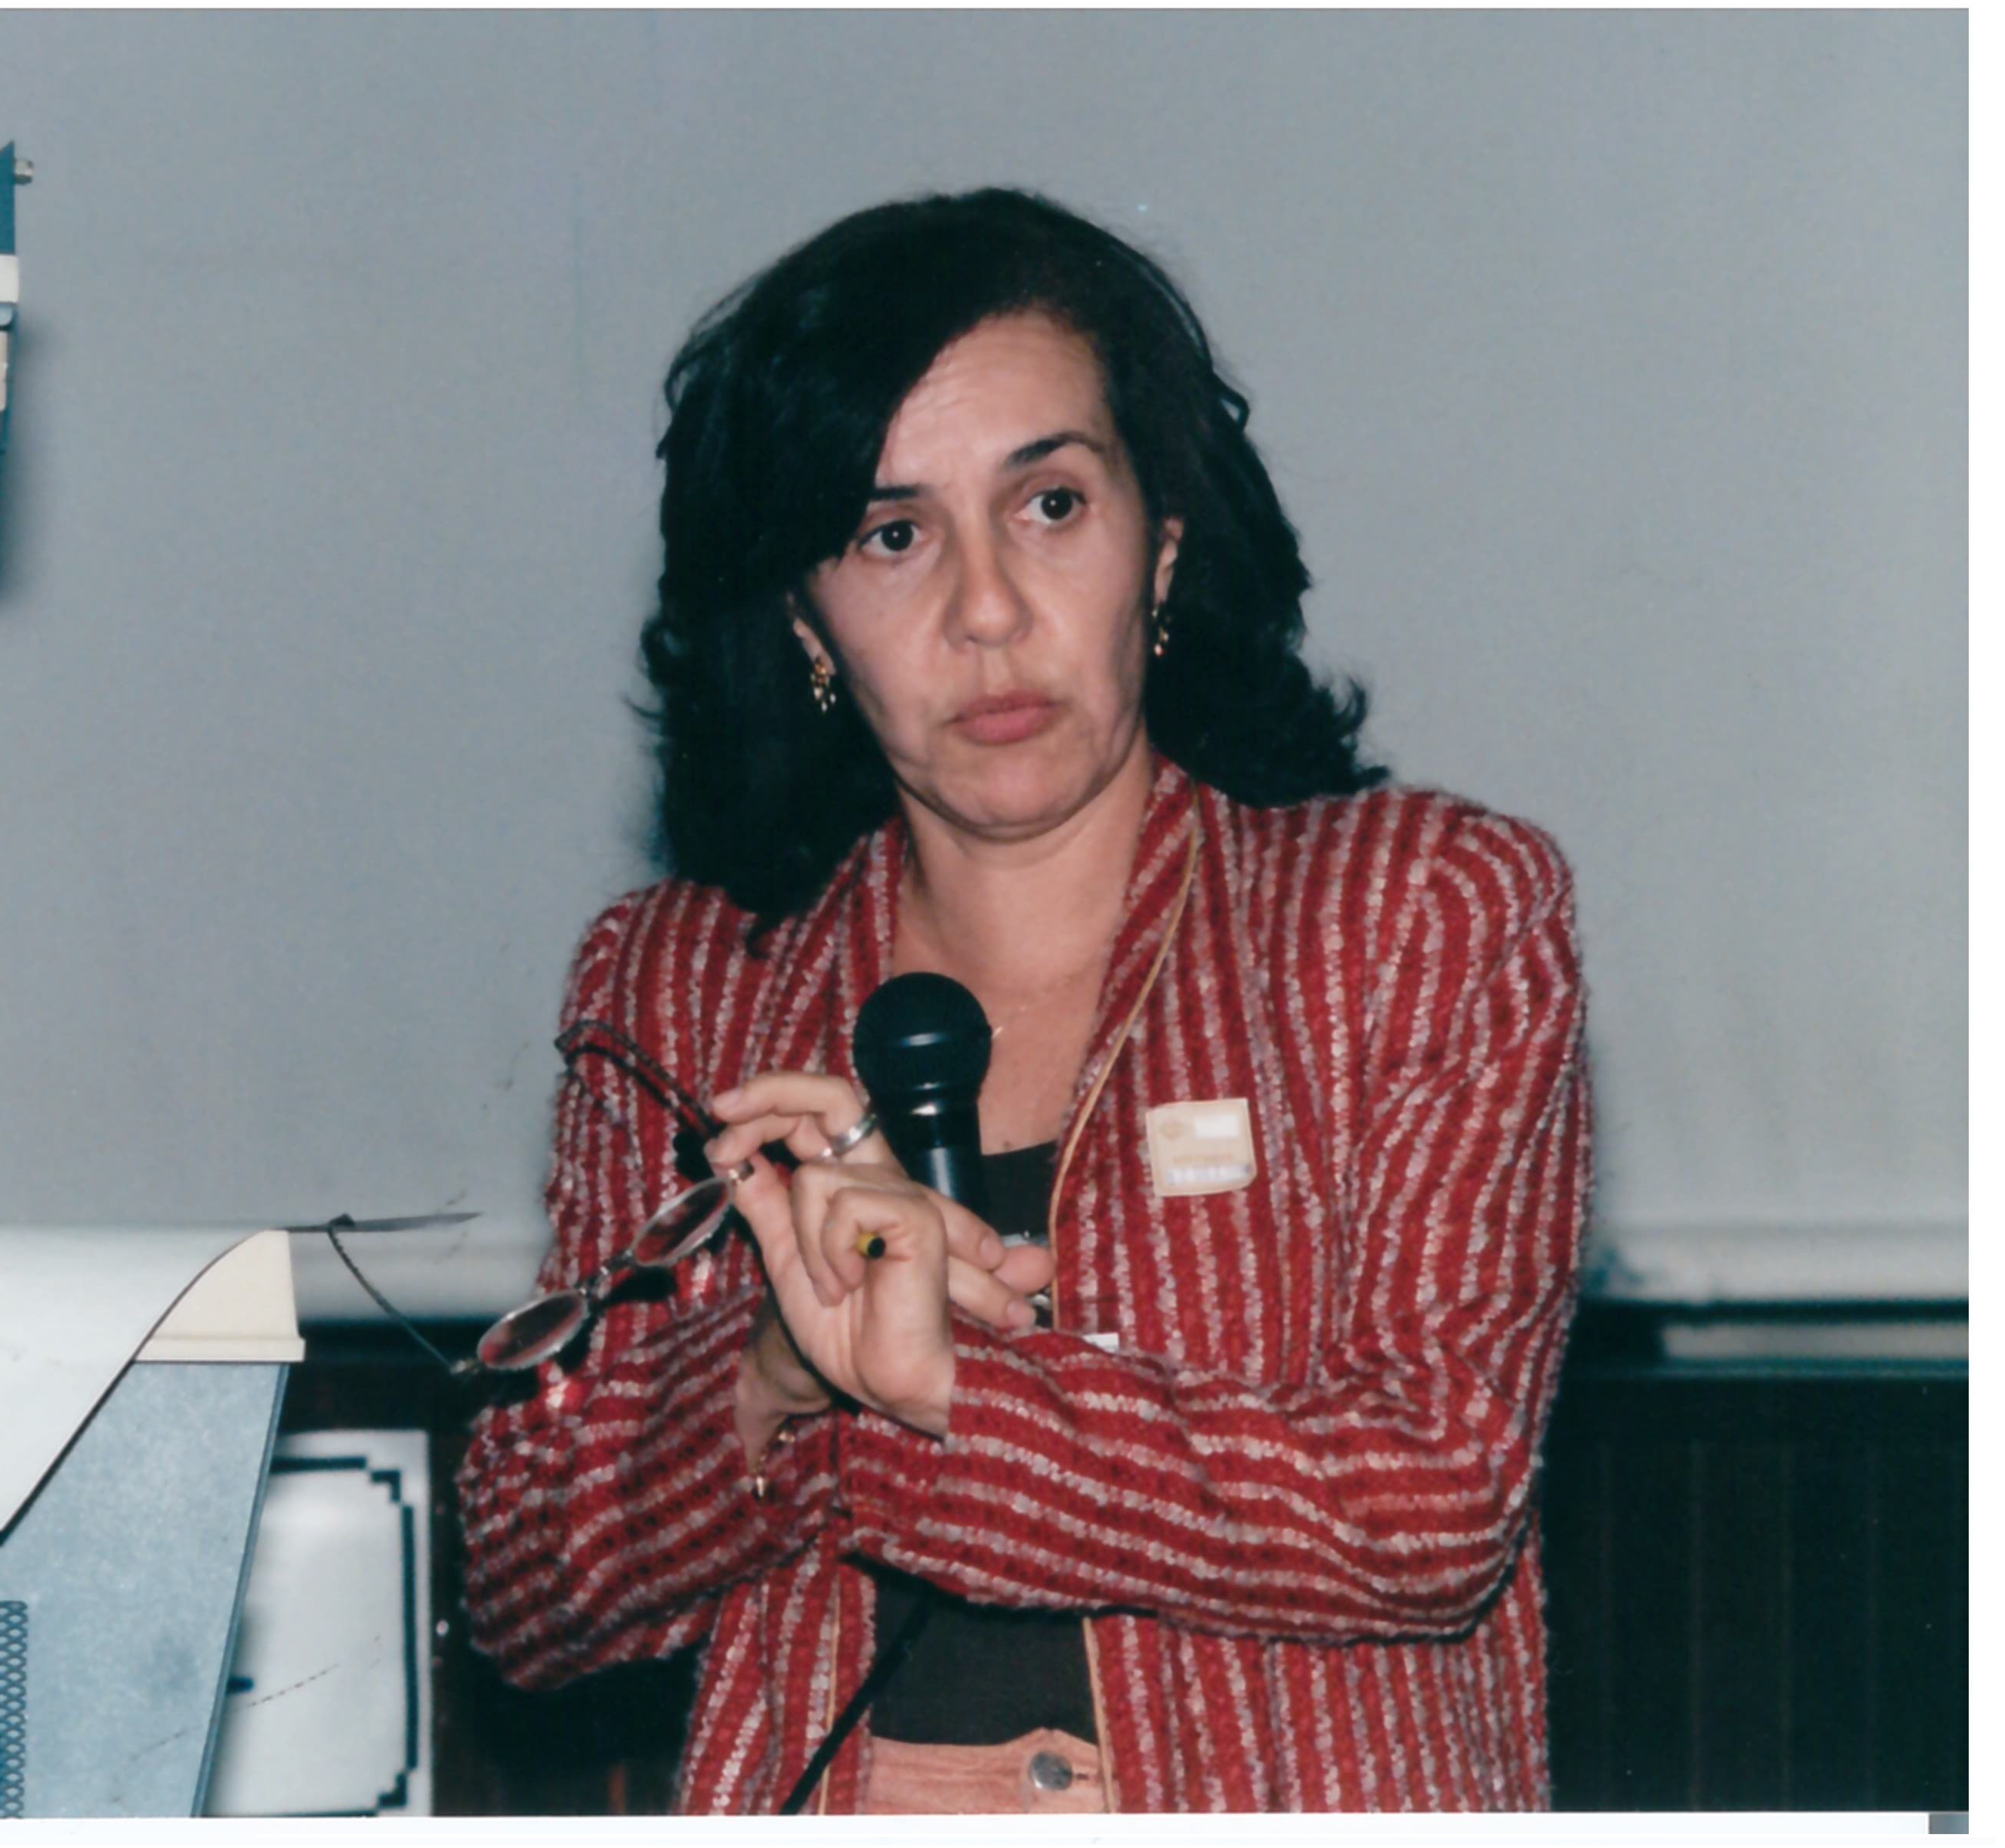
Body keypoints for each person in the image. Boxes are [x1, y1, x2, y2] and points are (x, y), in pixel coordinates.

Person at [455, 188, 1589, 1814]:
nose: (985, 610)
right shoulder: (681, 984)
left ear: (1163, 544)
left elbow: (1430, 1502)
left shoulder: (1416, 913)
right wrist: (769, 1372)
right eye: (891, 534)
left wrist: (939, 1389)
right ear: (804, 617)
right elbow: (522, 1583)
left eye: (1049, 503)